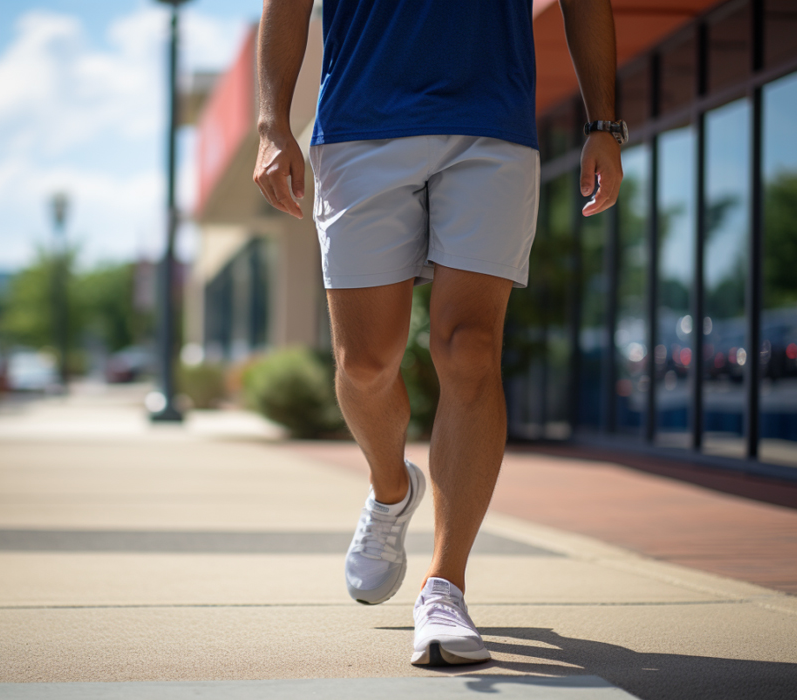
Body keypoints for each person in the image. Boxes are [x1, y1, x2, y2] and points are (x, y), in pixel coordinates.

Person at [253, 0, 624, 666]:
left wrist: (604, 123)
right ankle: (392, 487)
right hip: (362, 123)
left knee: (470, 348)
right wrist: (272, 121)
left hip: (491, 123)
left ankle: (444, 586)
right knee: (365, 364)